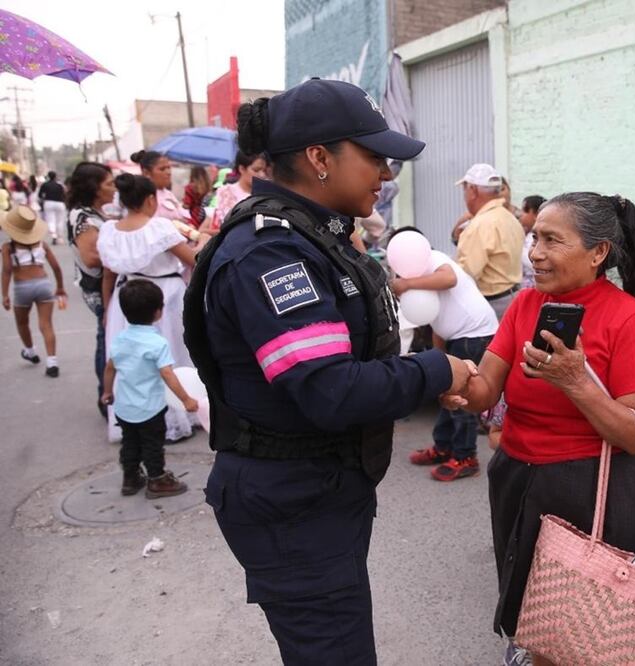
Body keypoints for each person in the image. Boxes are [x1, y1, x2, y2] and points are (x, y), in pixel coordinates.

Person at [185, 79, 476, 665]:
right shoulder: (273, 253)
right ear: (319, 158)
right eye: (373, 156)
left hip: (317, 492)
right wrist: (438, 370)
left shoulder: (313, 237)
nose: (386, 173)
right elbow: (330, 391)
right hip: (291, 504)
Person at [454, 192, 635, 666]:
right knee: (526, 606)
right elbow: (488, 386)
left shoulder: (629, 318)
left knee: (569, 628)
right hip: (515, 476)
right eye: (535, 238)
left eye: (552, 240)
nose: (535, 253)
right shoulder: (526, 304)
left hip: (587, 491)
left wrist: (575, 381)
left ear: (598, 253)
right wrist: (454, 382)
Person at [98, 174, 198, 443]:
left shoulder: (109, 231)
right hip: (164, 298)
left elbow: (108, 274)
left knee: (132, 362)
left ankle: (134, 417)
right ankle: (181, 410)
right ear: (151, 199)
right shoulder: (160, 228)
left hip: (125, 299)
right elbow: (191, 261)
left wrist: (108, 309)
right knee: (171, 355)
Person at [394, 227, 499, 481]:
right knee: (446, 392)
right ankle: (443, 447)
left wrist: (406, 284)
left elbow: (449, 279)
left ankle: (466, 456)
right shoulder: (419, 276)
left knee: (462, 397)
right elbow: (434, 317)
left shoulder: (435, 259)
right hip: (455, 336)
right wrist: (438, 358)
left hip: (474, 334)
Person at [101, 279, 195, 498]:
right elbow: (167, 374)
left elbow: (109, 368)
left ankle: (130, 478)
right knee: (153, 445)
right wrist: (186, 399)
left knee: (130, 443)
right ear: (158, 312)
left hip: (125, 407)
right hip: (150, 408)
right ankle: (157, 479)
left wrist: (107, 392)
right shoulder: (156, 343)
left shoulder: (120, 339)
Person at [66, 162, 117, 413]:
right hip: (98, 290)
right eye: (108, 183)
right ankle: (104, 398)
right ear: (94, 188)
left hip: (107, 286)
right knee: (105, 339)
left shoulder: (96, 212)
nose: (113, 187)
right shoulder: (83, 217)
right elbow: (91, 257)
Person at [1, 205, 66, 377]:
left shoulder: (8, 247)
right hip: (43, 284)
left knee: (22, 322)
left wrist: (5, 295)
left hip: (22, 287)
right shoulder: (42, 244)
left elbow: (7, 270)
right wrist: (59, 287)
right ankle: (52, 362)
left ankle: (30, 351)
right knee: (46, 324)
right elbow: (56, 268)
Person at [454, 163, 524, 319]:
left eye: (465, 188)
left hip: (493, 304)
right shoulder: (509, 217)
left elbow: (467, 274)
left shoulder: (481, 225)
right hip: (513, 297)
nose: (464, 195)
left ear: (472, 190)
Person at [205, 150, 269, 232]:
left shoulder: (267, 196)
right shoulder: (226, 192)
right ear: (242, 168)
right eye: (256, 170)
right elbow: (207, 226)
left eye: (264, 171)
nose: (262, 175)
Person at [131, 150, 187, 225]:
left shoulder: (168, 194)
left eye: (169, 168)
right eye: (162, 169)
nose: (168, 172)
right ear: (146, 173)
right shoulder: (142, 198)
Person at [518, 195, 545, 289]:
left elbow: (530, 262)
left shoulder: (534, 239)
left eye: (525, 211)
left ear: (536, 215)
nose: (521, 214)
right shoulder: (527, 234)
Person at [38, 171, 66, 245]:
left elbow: (40, 195)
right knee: (60, 220)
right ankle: (60, 237)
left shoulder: (45, 185)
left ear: (48, 176)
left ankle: (54, 235)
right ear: (55, 176)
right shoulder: (60, 185)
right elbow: (64, 194)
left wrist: (43, 199)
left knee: (51, 220)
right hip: (60, 203)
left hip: (48, 203)